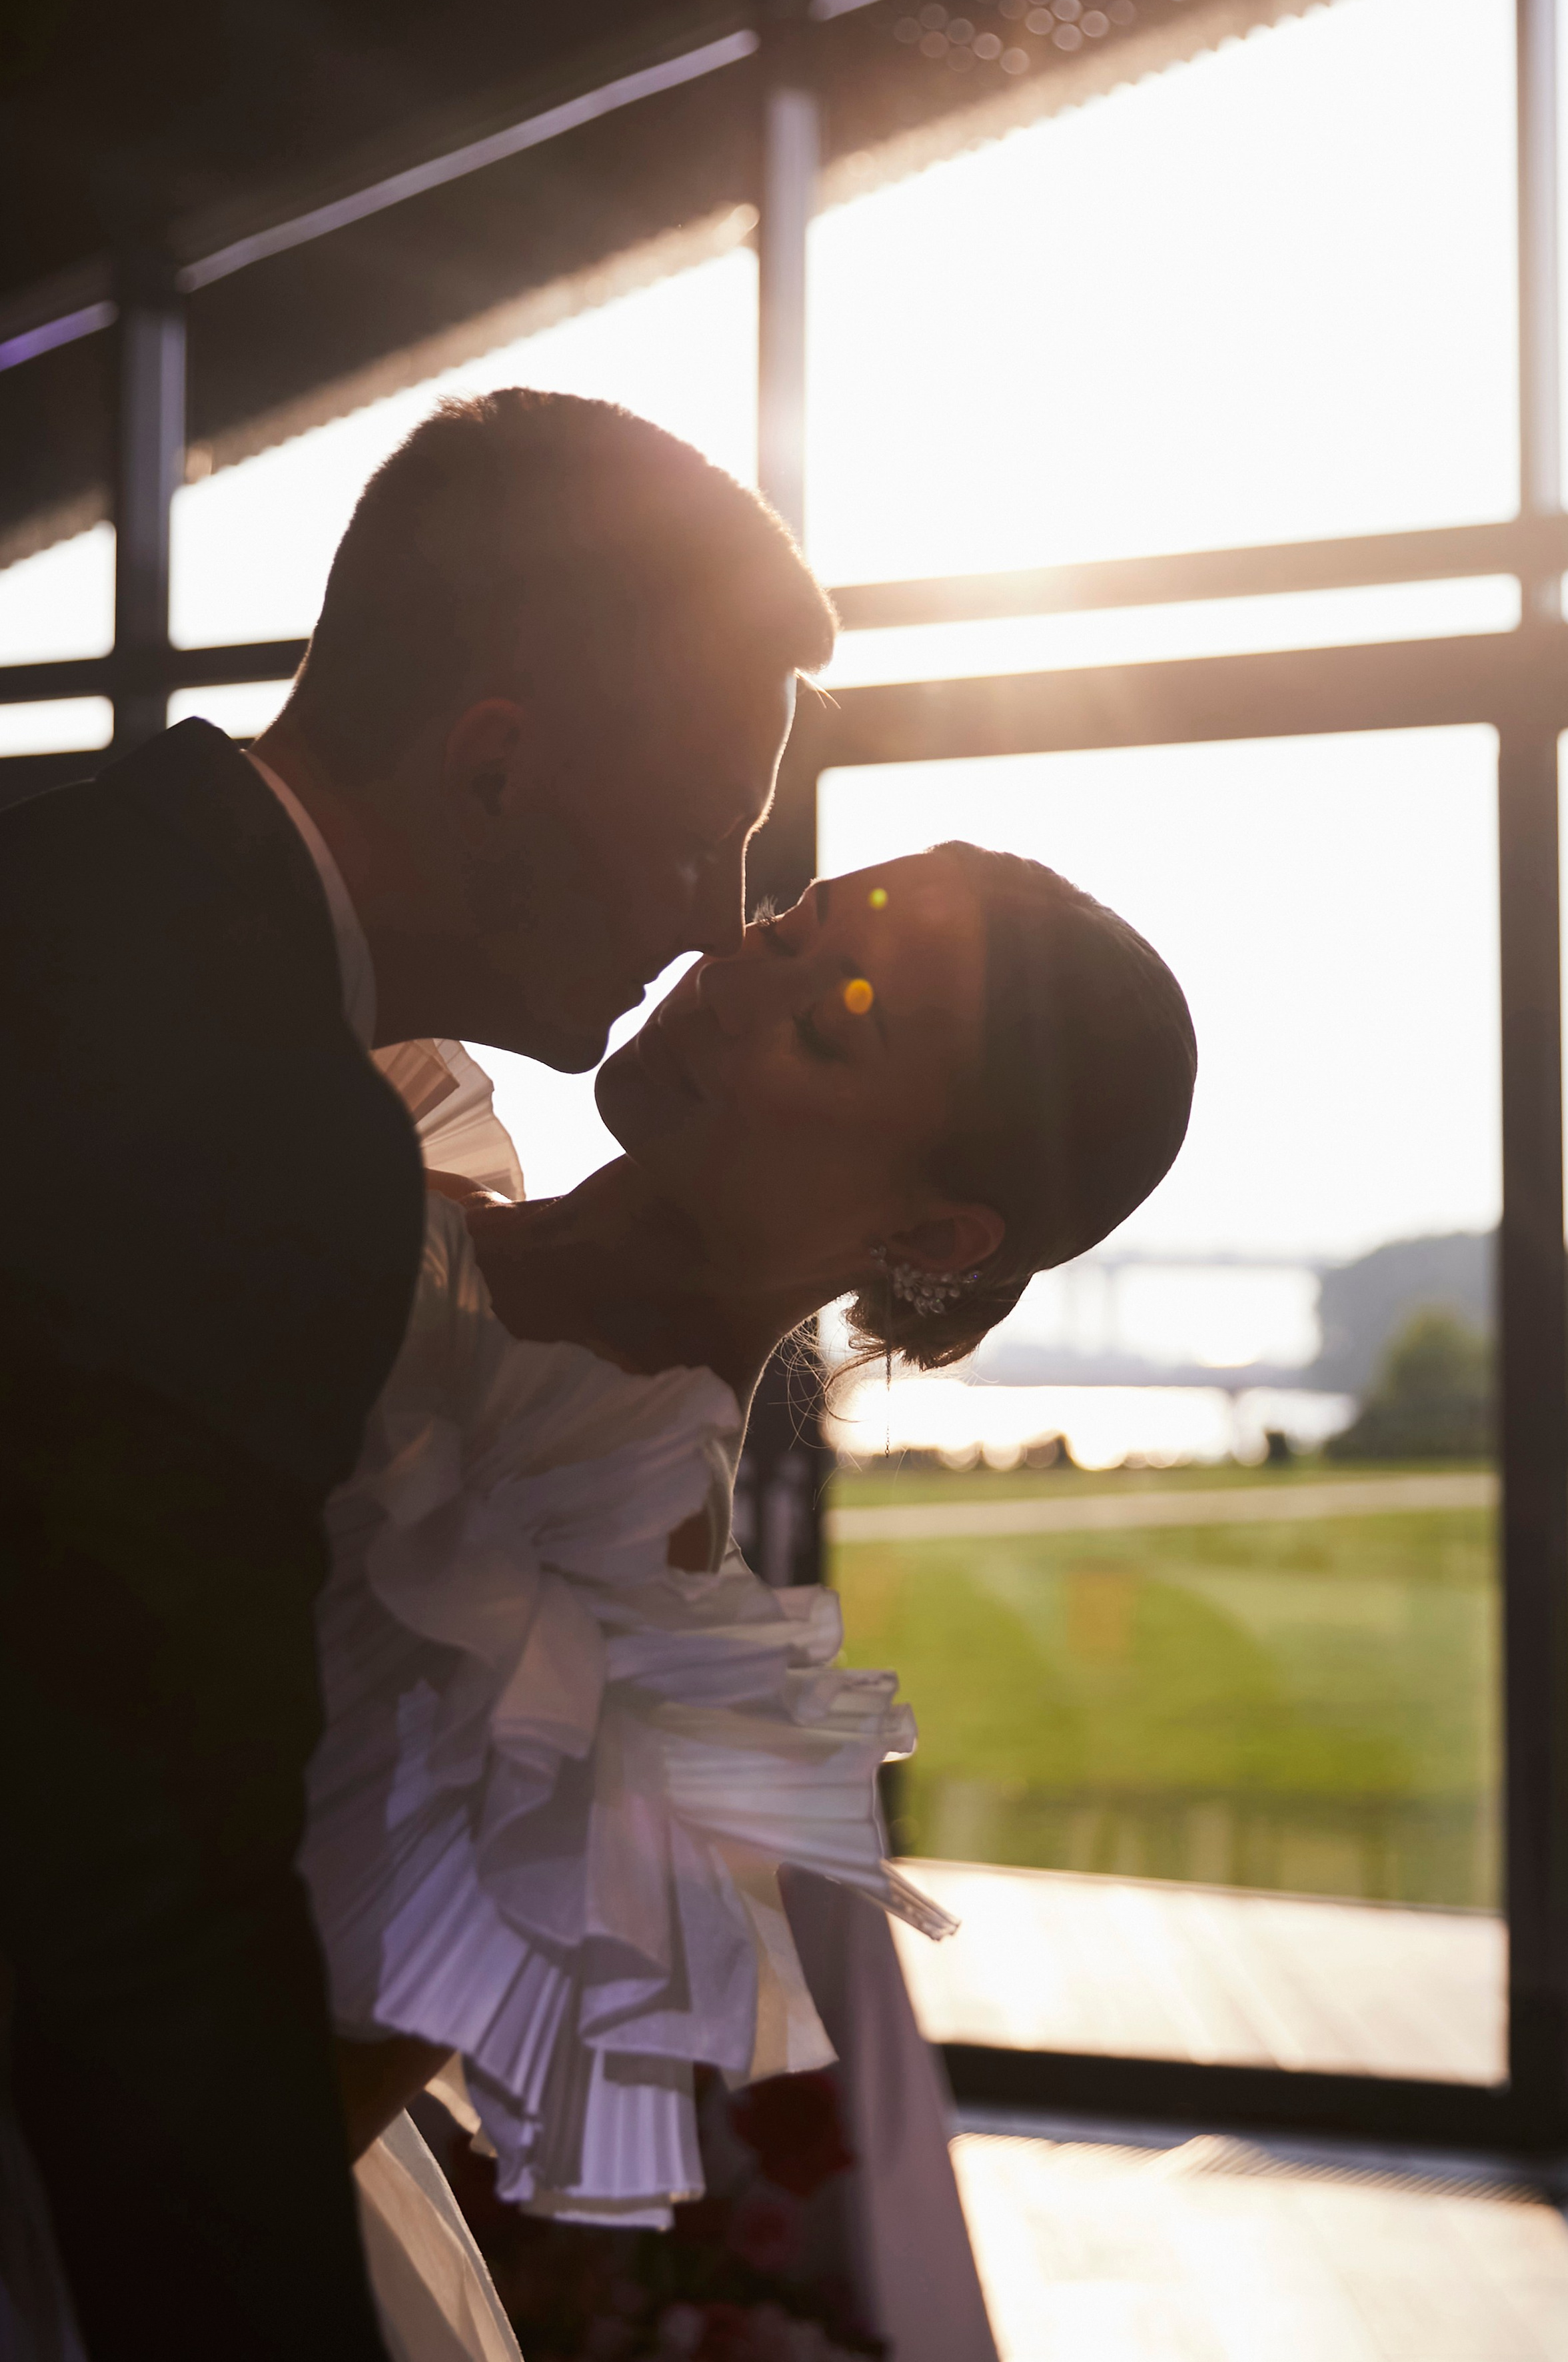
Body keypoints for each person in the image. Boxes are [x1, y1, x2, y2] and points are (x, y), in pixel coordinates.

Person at [0, 389, 834, 2361]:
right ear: (494, 770)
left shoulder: (80, 887)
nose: (711, 926)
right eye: (705, 841)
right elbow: (126, 1874)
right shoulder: (269, 1138)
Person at [304, 840, 1196, 2354]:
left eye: (828, 1019)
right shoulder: (377, 1129)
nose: (737, 974)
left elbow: (308, 2093)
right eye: (787, 929)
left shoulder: (614, 1584)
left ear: (933, 1232)